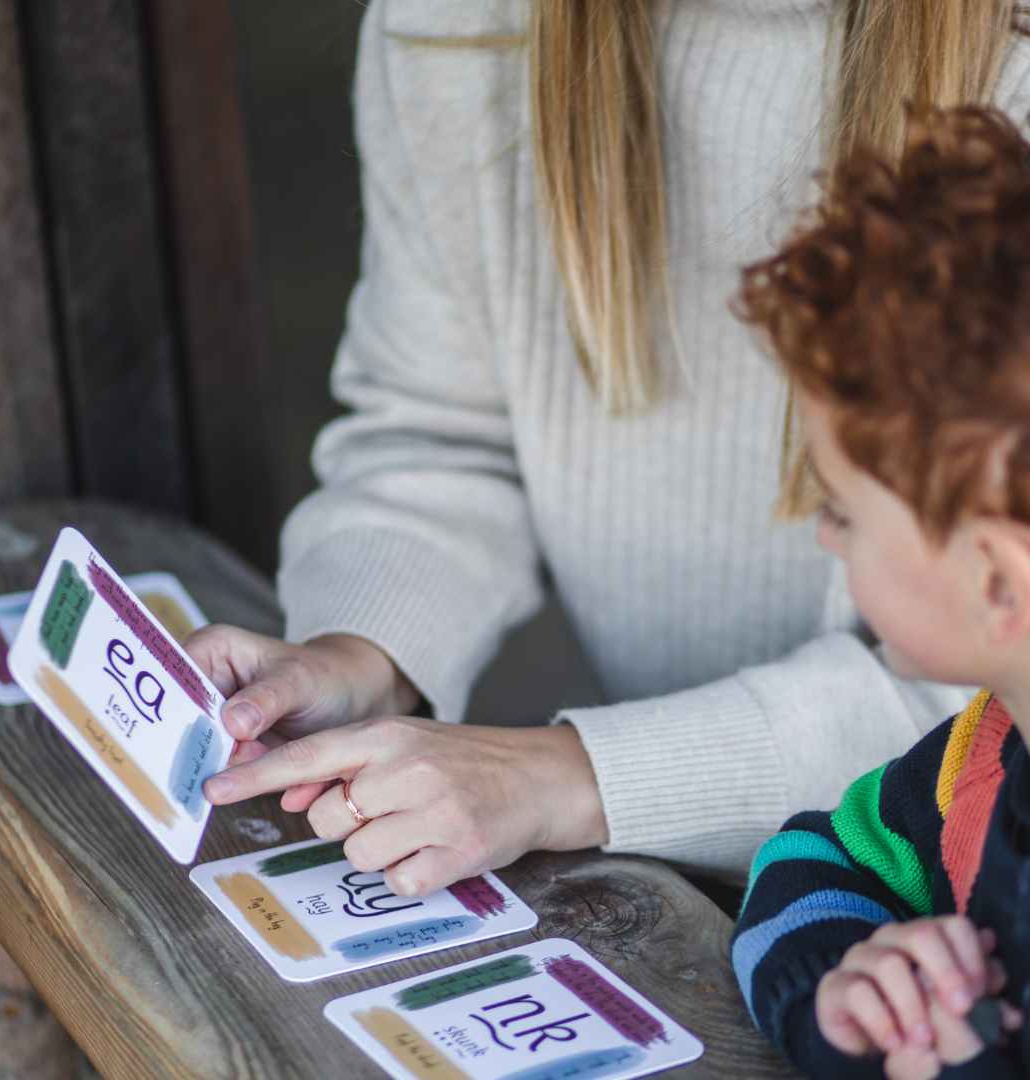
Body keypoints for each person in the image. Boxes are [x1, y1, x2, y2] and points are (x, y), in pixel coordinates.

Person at [194, 1, 1030, 899]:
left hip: (943, 891)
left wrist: (570, 777)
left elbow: (998, 684)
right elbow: (438, 433)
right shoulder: (456, 23)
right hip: (675, 882)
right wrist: (361, 651)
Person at [732, 106, 1030, 1078]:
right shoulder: (972, 765)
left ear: (995, 577)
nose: (823, 534)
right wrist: (847, 989)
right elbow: (814, 862)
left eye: (846, 511)